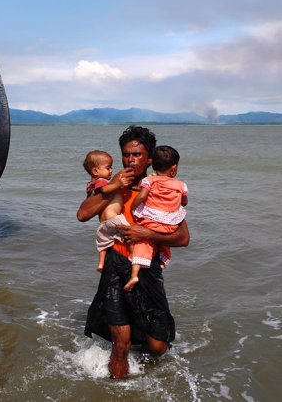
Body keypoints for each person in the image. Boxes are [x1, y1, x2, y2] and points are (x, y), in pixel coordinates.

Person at [77, 125, 190, 379]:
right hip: (115, 268)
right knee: (121, 344)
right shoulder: (110, 184)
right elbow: (83, 214)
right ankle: (118, 392)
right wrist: (115, 185)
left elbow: (183, 238)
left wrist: (147, 234)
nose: (131, 159)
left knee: (158, 346)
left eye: (137, 155)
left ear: (150, 159)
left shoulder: (161, 188)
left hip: (145, 268)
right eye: (127, 154)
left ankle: (143, 365)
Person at [125, 145, 189, 291]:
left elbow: (142, 196)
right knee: (164, 237)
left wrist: (133, 207)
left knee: (143, 242)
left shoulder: (150, 181)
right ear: (173, 169)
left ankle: (134, 274)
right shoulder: (180, 185)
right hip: (170, 222)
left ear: (152, 164)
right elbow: (184, 202)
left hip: (151, 220)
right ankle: (162, 261)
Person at [82, 150, 130, 272]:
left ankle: (101, 263)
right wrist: (118, 183)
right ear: (95, 171)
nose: (111, 170)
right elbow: (104, 190)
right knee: (131, 234)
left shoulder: (92, 184)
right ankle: (133, 254)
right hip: (113, 217)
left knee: (103, 243)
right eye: (108, 167)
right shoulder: (101, 182)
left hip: (104, 222)